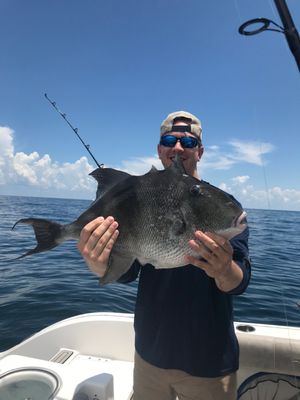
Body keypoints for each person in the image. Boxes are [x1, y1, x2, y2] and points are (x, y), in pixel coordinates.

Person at [77, 111, 251, 400]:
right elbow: (129, 272)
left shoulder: (225, 207)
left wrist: (223, 269)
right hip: (149, 356)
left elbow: (240, 281)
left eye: (188, 141)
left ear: (200, 151)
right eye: (169, 140)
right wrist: (98, 264)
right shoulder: (140, 195)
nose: (178, 147)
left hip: (209, 362)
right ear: (160, 150)